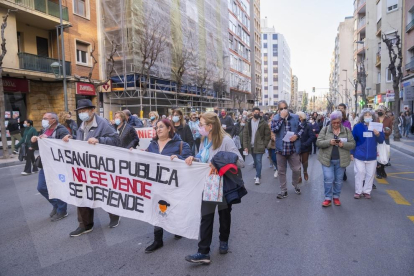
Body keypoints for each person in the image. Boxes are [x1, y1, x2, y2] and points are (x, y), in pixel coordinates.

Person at [184, 112, 244, 264]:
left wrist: (218, 161)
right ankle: (203, 252)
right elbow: (203, 157)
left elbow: (240, 161)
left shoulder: (226, 140)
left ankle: (223, 241)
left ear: (210, 126)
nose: (199, 127)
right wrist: (194, 158)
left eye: (201, 124)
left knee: (224, 215)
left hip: (223, 185)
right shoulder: (205, 140)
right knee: (206, 217)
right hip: (208, 184)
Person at [64, 99, 121, 237]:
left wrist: (99, 140)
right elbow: (80, 142)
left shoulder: (103, 123)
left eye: (84, 111)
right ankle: (85, 225)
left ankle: (114, 216)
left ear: (92, 110)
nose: (82, 114)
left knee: (104, 193)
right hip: (84, 166)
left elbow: (116, 141)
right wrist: (70, 139)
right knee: (82, 193)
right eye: (80, 112)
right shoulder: (81, 125)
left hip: (100, 167)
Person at [144, 119, 192, 253]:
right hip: (156, 184)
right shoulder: (152, 144)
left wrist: (179, 158)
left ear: (169, 128)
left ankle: (177, 228)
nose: (158, 129)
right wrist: (133, 153)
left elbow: (189, 160)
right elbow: (144, 157)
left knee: (173, 208)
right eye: (156, 127)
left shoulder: (181, 144)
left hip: (173, 185)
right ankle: (157, 240)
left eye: (161, 127)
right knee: (157, 209)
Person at [31, 112, 69, 221]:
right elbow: (40, 145)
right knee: (41, 187)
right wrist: (34, 141)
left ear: (53, 120)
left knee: (58, 187)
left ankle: (62, 210)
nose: (43, 120)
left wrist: (48, 139)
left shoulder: (61, 130)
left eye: (45, 118)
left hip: (57, 165)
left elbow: (66, 145)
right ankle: (56, 205)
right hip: (46, 164)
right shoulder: (44, 130)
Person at [317, 111, 355, 207]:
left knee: (338, 180)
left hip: (341, 160)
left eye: (338, 122)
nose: (336, 124)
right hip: (327, 160)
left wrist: (343, 144)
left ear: (341, 121)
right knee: (328, 178)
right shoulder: (325, 129)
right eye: (334, 123)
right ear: (331, 122)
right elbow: (318, 142)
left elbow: (353, 144)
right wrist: (329, 142)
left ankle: (336, 197)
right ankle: (328, 198)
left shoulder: (346, 130)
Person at [271, 100, 304, 199]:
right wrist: (281, 118)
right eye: (281, 109)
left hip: (293, 148)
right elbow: (274, 130)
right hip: (280, 149)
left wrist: (297, 136)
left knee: (296, 169)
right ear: (278, 110)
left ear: (288, 108)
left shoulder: (295, 117)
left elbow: (302, 128)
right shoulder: (275, 118)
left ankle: (295, 184)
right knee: (281, 171)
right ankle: (283, 190)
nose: (283, 110)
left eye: (285, 108)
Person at [351, 109, 385, 199]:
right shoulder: (358, 127)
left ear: (373, 117)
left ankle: (367, 191)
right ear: (362, 117)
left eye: (369, 115)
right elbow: (353, 140)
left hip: (372, 156)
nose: (367, 116)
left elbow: (381, 140)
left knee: (370, 175)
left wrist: (378, 134)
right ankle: (358, 191)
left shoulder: (377, 126)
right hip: (359, 155)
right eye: (366, 115)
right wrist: (351, 152)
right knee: (360, 173)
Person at [243, 107, 270, 185]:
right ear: (252, 113)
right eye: (255, 112)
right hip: (251, 146)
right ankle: (258, 173)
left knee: (258, 161)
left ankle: (257, 177)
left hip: (260, 146)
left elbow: (267, 135)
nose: (257, 114)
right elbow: (245, 135)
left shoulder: (263, 123)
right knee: (255, 161)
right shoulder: (248, 122)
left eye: (258, 112)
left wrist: (264, 144)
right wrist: (245, 146)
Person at [297, 112, 316, 183]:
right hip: (296, 147)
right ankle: (299, 176)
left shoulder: (308, 126)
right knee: (297, 162)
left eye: (298, 117)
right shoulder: (295, 125)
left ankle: (305, 171)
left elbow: (312, 136)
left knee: (304, 162)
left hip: (305, 147)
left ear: (302, 117)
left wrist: (306, 143)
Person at [376, 106, 393, 180]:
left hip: (385, 139)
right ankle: (378, 171)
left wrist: (386, 132)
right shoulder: (375, 119)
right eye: (379, 110)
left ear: (385, 112)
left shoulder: (388, 120)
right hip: (376, 139)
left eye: (381, 110)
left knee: (384, 155)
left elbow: (390, 130)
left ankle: (382, 169)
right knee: (377, 155)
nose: (380, 111)